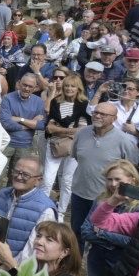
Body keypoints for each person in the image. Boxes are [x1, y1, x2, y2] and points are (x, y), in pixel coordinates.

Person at [69, 101, 139, 246]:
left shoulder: (124, 141)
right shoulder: (82, 133)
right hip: (80, 193)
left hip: (107, 198)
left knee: (100, 235)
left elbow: (131, 169)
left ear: (114, 118)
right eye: (95, 112)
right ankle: (74, 266)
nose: (97, 116)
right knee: (76, 234)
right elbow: (77, 156)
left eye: (103, 114)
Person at [43, 74, 89, 220]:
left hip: (74, 147)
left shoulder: (83, 104)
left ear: (78, 88)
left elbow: (83, 129)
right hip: (55, 144)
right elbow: (49, 127)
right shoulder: (56, 102)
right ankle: (43, 208)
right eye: (67, 85)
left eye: (72, 86)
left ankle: (61, 212)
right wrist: (69, 131)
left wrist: (61, 130)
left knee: (67, 180)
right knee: (48, 179)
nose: (69, 88)